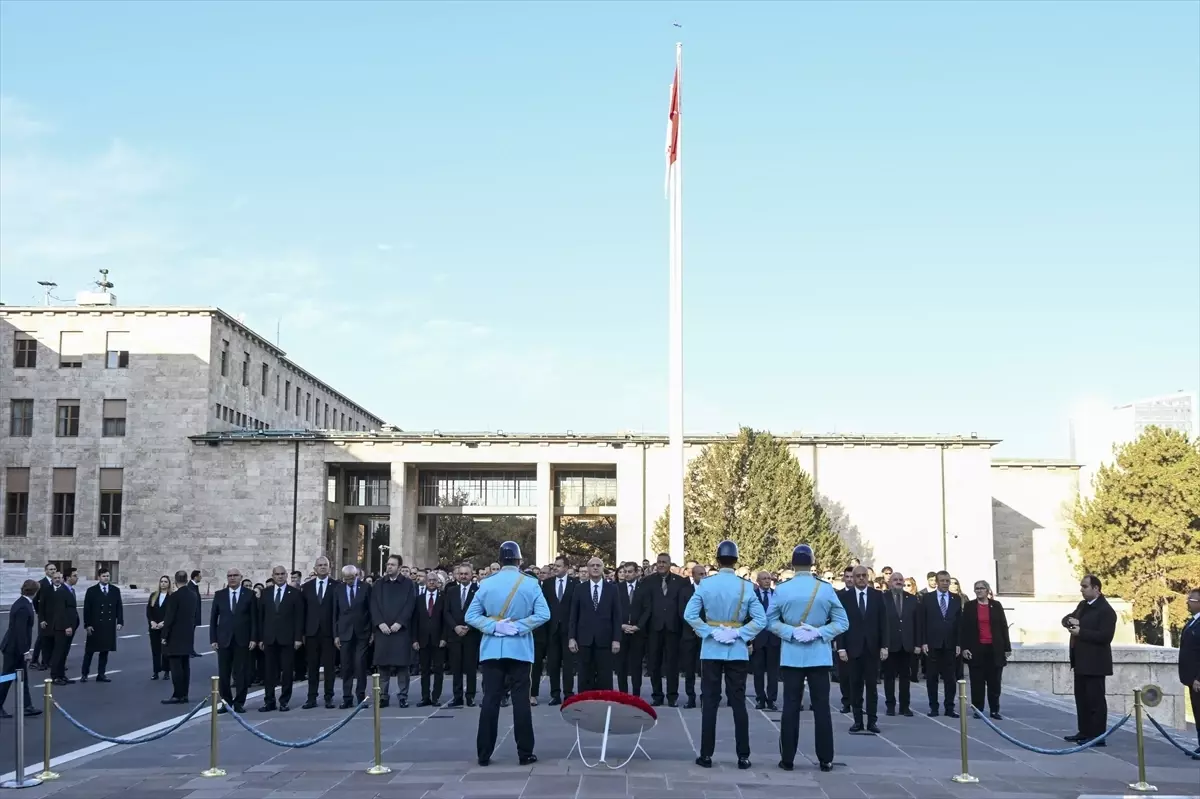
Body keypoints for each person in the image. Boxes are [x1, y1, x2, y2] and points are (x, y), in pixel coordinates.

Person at [683, 540, 767, 770]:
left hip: (711, 648)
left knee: (710, 701)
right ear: (736, 560)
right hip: (737, 649)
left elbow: (689, 615)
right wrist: (739, 633)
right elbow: (761, 620)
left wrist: (710, 632)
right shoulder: (746, 586)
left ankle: (706, 754)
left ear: (717, 560)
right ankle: (743, 756)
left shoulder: (706, 584)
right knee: (738, 702)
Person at [466, 540, 551, 766]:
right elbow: (544, 614)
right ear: (519, 561)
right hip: (520, 648)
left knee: (490, 701)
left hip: (492, 649)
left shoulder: (486, 583)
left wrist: (494, 626)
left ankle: (484, 753)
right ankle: (525, 752)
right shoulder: (530, 583)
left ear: (500, 560)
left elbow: (470, 616)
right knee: (521, 702)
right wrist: (519, 626)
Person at [768, 545, 848, 771]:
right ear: (812, 563)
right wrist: (819, 632)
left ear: (792, 564)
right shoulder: (825, 589)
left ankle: (787, 759)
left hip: (792, 655)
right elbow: (842, 622)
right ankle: (826, 759)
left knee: (790, 708)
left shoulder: (782, 589)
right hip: (819, 655)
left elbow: (770, 621)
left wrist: (791, 632)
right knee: (822, 709)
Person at [1061, 574, 1117, 745]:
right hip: (1080, 661)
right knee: (1082, 699)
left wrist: (1081, 631)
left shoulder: (1106, 610)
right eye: (1081, 586)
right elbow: (1066, 619)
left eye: (1085, 586)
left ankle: (1098, 736)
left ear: (1096, 589)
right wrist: (1069, 621)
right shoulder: (1083, 605)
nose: (1082, 590)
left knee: (1095, 701)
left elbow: (1106, 636)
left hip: (1095, 663)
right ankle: (1084, 731)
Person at [836, 564, 888, 733]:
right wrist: (841, 648)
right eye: (857, 576)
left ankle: (872, 721)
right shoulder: (845, 597)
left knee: (872, 687)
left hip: (872, 648)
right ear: (852, 578)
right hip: (853, 649)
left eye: (863, 575)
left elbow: (883, 622)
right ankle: (857, 721)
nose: (860, 578)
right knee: (855, 686)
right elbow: (841, 624)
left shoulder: (877, 595)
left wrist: (884, 646)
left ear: (868, 577)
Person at [370, 554, 420, 708]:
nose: (389, 567)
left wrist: (400, 622)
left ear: (399, 567)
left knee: (402, 666)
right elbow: (373, 605)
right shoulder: (379, 584)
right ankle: (383, 696)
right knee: (383, 666)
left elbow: (410, 605)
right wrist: (380, 623)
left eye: (392, 564)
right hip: (383, 631)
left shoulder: (408, 584)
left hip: (401, 631)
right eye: (388, 564)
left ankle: (403, 696)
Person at [959, 579, 1011, 720]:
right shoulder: (969, 606)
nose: (979, 590)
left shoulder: (996, 605)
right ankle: (978, 709)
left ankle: (994, 710)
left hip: (994, 649)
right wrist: (965, 648)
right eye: (977, 588)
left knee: (994, 682)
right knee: (977, 682)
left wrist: (1007, 647)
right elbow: (964, 629)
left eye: (982, 588)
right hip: (976, 649)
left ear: (987, 590)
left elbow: (1003, 626)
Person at [568, 556, 621, 692]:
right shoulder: (579, 588)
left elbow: (617, 616)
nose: (595, 568)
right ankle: (584, 701)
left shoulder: (612, 589)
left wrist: (616, 639)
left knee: (605, 677)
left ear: (603, 568)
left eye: (598, 565)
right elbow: (574, 615)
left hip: (605, 640)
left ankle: (604, 701)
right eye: (592, 565)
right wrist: (571, 638)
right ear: (588, 569)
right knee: (584, 676)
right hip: (584, 640)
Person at [258, 565, 304, 712]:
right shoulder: (265, 593)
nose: (280, 576)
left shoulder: (295, 593)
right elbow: (261, 617)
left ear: (286, 575)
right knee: (269, 672)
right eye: (277, 574)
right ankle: (269, 701)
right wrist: (260, 638)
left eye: (282, 574)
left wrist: (298, 638)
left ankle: (284, 701)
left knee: (287, 672)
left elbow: (299, 617)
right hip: (269, 638)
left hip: (288, 639)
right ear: (273, 576)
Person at [643, 552, 687, 707]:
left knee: (672, 664)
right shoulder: (648, 581)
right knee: (654, 663)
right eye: (659, 562)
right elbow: (645, 604)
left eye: (664, 562)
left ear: (669, 564)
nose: (661, 564)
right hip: (654, 628)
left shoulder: (680, 582)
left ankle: (672, 696)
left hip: (673, 628)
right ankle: (657, 695)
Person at [211, 567, 257, 714]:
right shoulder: (220, 595)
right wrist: (213, 639)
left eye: (235, 575)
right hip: (224, 640)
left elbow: (254, 619)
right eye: (229, 575)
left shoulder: (249, 594)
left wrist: (253, 638)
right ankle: (226, 702)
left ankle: (239, 703)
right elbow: (213, 619)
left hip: (242, 640)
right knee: (224, 674)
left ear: (241, 577)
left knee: (241, 673)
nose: (232, 578)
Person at [918, 570, 962, 717]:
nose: (945, 583)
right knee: (932, 677)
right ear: (936, 582)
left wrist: (958, 643)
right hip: (932, 643)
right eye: (942, 581)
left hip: (950, 644)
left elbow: (959, 623)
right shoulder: (927, 598)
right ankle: (934, 707)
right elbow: (922, 621)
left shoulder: (956, 598)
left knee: (950, 678)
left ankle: (949, 707)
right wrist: (923, 642)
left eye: (947, 581)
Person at [0, 579, 43, 719]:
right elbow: (20, 631)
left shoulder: (23, 603)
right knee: (7, 678)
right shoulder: (23, 607)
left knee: (22, 677)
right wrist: (26, 651)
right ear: (35, 592)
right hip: (13, 648)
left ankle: (27, 706)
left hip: (16, 647)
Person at [882, 571, 921, 717]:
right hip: (889, 644)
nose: (898, 582)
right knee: (889, 677)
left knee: (905, 677)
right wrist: (882, 645)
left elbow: (917, 623)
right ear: (889, 582)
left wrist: (917, 643)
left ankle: (905, 706)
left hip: (907, 644)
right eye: (895, 579)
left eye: (900, 580)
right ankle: (890, 706)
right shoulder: (882, 598)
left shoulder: (912, 599)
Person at [301, 557, 338, 710]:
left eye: (325, 565)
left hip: (329, 632)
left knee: (329, 667)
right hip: (311, 632)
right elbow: (302, 612)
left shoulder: (336, 586)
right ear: (315, 568)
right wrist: (302, 633)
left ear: (329, 567)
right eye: (320, 565)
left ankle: (329, 697)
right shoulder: (306, 587)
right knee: (312, 667)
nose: (322, 567)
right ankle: (311, 698)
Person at [333, 565, 372, 708]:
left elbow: (371, 609)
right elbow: (335, 613)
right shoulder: (338, 589)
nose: (348, 581)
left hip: (362, 631)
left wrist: (372, 631)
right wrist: (336, 635)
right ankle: (347, 698)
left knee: (360, 665)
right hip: (344, 632)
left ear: (356, 576)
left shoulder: (366, 588)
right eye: (346, 579)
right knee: (346, 666)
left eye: (351, 578)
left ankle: (361, 697)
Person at [540, 556, 577, 705]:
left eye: (559, 566)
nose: (555, 568)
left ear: (566, 568)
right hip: (552, 629)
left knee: (568, 664)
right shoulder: (547, 583)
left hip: (569, 630)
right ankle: (555, 694)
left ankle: (568, 693)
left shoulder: (575, 583)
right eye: (554, 566)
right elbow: (544, 605)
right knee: (553, 664)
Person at [443, 563, 481, 707]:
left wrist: (469, 627)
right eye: (461, 574)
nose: (463, 576)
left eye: (466, 574)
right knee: (456, 668)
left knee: (470, 667)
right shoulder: (451, 591)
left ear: (471, 575)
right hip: (455, 634)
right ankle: (457, 696)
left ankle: (470, 696)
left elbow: (481, 611)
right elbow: (446, 612)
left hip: (471, 634)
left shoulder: (478, 591)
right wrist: (455, 627)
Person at [81, 567, 124, 682]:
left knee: (105, 651)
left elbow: (119, 606)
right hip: (95, 625)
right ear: (99, 577)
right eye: (104, 576)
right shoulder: (91, 591)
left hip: (108, 624)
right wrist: (87, 624)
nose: (106, 578)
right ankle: (84, 674)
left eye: (108, 576)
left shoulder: (115, 590)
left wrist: (120, 621)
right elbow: (87, 609)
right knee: (90, 651)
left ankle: (101, 674)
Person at [162, 570, 199, 703]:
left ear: (175, 580)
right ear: (187, 579)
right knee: (185, 665)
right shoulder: (193, 595)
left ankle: (177, 694)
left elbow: (170, 617)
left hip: (175, 635)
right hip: (188, 634)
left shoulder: (174, 597)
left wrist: (164, 635)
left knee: (176, 666)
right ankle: (185, 694)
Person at [751, 571, 780, 711]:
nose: (767, 581)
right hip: (758, 638)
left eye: (769, 578)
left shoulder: (776, 595)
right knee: (758, 672)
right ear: (758, 581)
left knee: (773, 672)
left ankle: (772, 699)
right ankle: (760, 698)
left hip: (773, 638)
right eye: (764, 579)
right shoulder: (753, 596)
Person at [415, 571, 446, 706]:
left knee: (438, 669)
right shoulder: (419, 599)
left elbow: (445, 619)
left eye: (434, 580)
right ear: (426, 582)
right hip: (423, 639)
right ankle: (425, 697)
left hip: (438, 639)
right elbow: (415, 620)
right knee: (424, 670)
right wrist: (414, 639)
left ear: (438, 582)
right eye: (429, 580)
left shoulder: (443, 598)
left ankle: (436, 697)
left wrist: (444, 637)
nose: (432, 582)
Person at [615, 562, 645, 698]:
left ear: (636, 572)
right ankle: (623, 695)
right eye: (625, 571)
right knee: (621, 665)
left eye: (630, 571)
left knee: (636, 665)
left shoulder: (643, 588)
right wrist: (621, 625)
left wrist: (638, 626)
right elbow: (613, 610)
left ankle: (636, 695)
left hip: (638, 632)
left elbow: (647, 609)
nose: (627, 574)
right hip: (621, 632)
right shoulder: (617, 588)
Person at [46, 569, 79, 685]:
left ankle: (61, 675)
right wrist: (67, 626)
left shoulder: (70, 590)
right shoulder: (61, 591)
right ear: (68, 578)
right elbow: (60, 611)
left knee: (64, 652)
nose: (77, 578)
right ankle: (55, 676)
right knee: (59, 652)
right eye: (74, 576)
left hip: (70, 626)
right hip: (62, 627)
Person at [1178, 588, 1200, 755]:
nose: (1187, 602)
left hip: (1197, 679)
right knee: (1197, 712)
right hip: (1190, 677)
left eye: (1191, 600)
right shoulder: (1193, 622)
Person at [30, 563, 56, 671]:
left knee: (52, 638)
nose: (53, 571)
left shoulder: (57, 583)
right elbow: (35, 601)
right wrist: (39, 613)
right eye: (50, 569)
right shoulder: (41, 584)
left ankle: (49, 661)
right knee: (41, 638)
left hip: (54, 616)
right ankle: (34, 661)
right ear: (46, 571)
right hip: (43, 616)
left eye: (54, 569)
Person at [147, 575, 172, 680]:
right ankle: (156, 672)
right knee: (155, 650)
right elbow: (149, 611)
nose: (163, 583)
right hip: (154, 628)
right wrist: (152, 621)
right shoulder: (154, 595)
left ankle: (166, 671)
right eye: (161, 581)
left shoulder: (172, 597)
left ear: (169, 584)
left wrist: (164, 622)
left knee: (165, 650)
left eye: (165, 582)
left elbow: (172, 612)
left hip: (166, 628)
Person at [188, 569, 203, 657]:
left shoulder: (194, 586)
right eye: (200, 576)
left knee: (191, 634)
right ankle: (189, 651)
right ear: (195, 577)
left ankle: (191, 651)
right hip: (191, 616)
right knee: (189, 634)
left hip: (194, 615)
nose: (201, 578)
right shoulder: (190, 587)